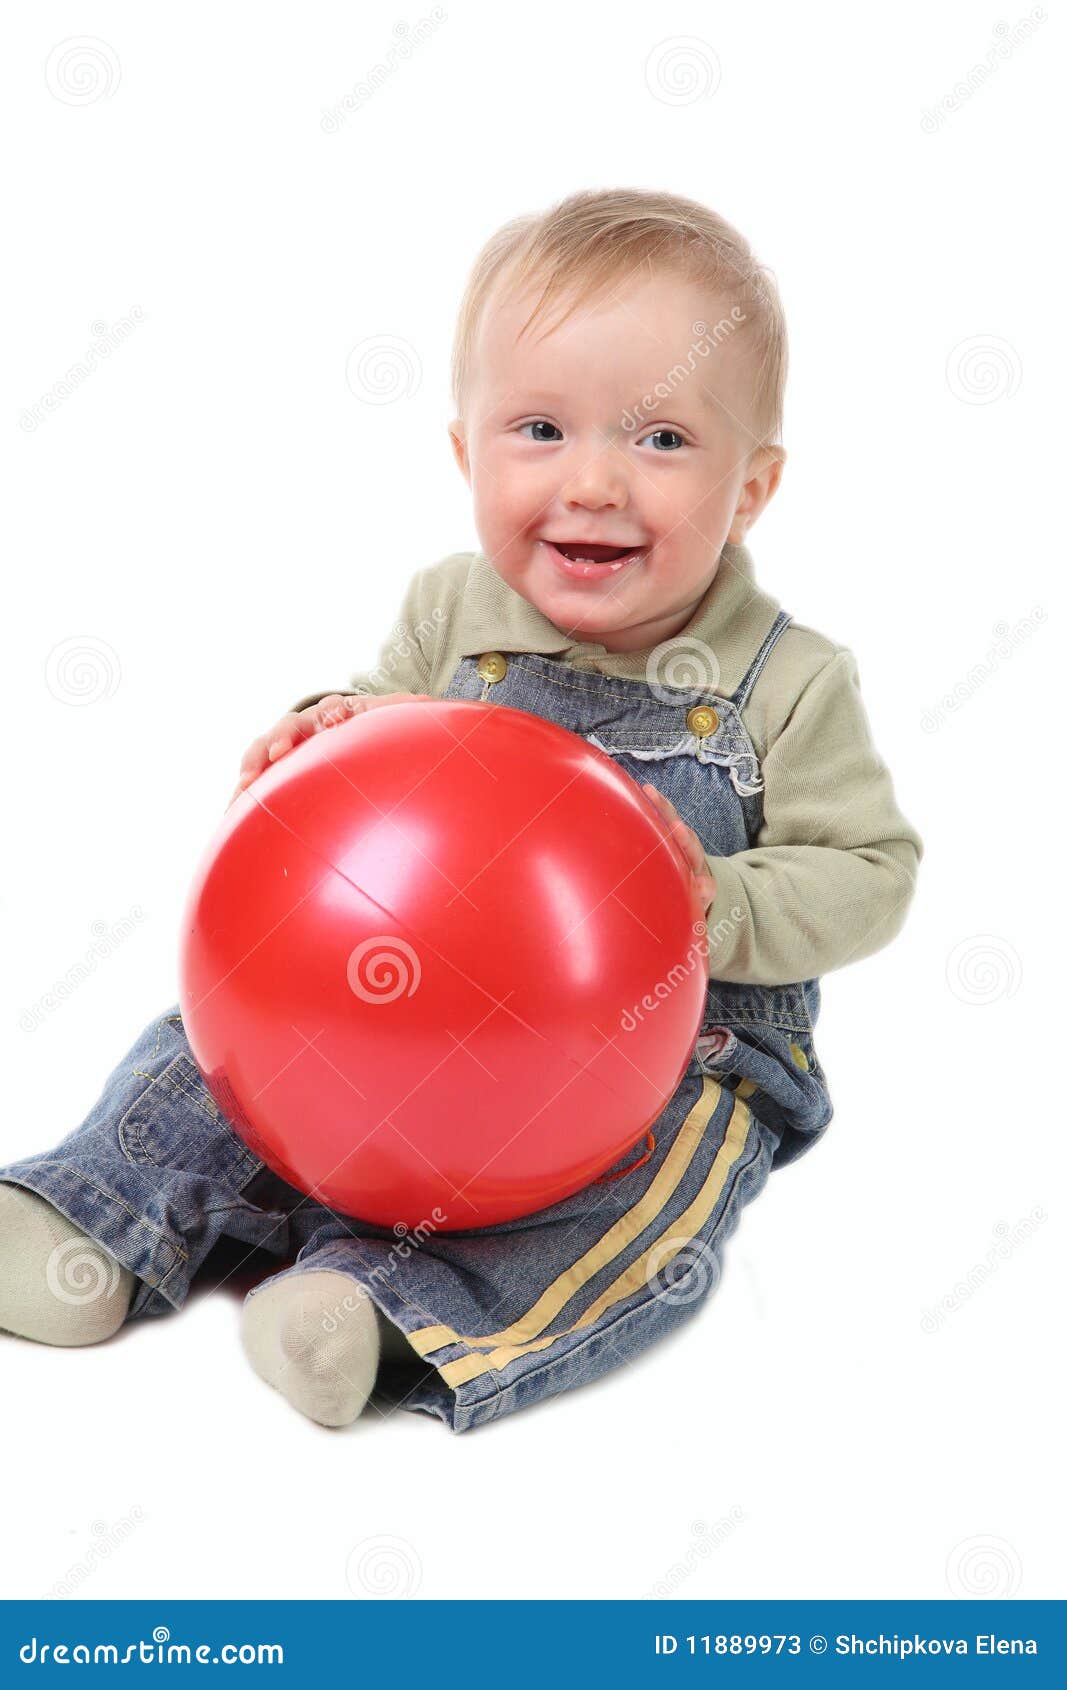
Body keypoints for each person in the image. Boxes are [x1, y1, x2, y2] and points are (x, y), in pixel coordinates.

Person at [0, 188, 922, 1433]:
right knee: (212, 1048)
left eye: (660, 440)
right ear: (464, 455)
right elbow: (375, 732)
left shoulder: (786, 680)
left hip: (667, 1056)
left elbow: (870, 869)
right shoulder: (450, 612)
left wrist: (712, 900)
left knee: (655, 1196)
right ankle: (90, 1217)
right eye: (539, 429)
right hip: (379, 1015)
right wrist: (322, 728)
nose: (592, 482)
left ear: (750, 488)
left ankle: (377, 1311)